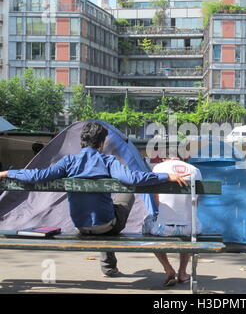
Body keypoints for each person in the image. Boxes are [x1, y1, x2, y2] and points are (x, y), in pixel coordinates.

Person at [0, 122, 190, 277]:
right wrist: (166, 176)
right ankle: (109, 266)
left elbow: (37, 176)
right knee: (126, 195)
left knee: (100, 208)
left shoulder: (68, 161)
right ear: (102, 143)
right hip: (107, 225)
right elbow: (133, 179)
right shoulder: (108, 161)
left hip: (80, 225)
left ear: (82, 141)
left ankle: (108, 267)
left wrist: (9, 172)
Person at [142, 156, 202, 287]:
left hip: (164, 229)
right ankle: (182, 272)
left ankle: (168, 268)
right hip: (190, 229)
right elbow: (196, 201)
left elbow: (157, 199)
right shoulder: (195, 170)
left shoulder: (158, 168)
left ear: (165, 158)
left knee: (147, 223)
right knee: (189, 221)